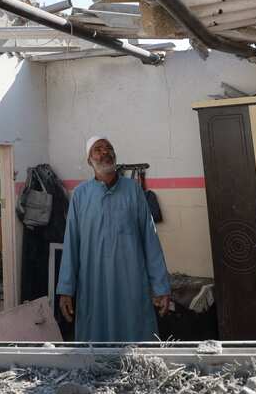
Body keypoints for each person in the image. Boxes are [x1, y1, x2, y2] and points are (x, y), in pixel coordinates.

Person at [56, 135, 172, 341]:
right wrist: (66, 289)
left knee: (136, 343)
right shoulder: (80, 195)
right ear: (89, 160)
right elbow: (71, 243)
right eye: (98, 149)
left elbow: (150, 239)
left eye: (109, 148)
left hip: (131, 282)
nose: (105, 152)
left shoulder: (133, 190)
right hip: (94, 283)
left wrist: (161, 286)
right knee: (96, 342)